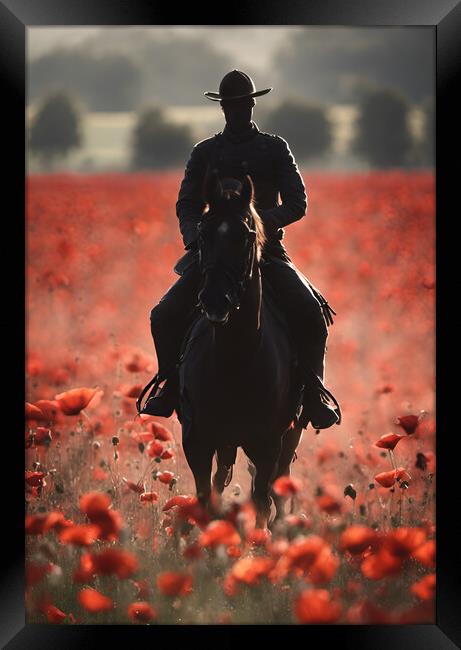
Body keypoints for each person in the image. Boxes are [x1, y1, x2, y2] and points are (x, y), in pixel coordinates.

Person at [137, 69, 341, 430]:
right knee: (163, 315)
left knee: (311, 312)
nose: (236, 111)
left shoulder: (274, 148)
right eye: (229, 106)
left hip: (266, 252)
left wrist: (258, 226)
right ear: (223, 109)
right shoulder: (205, 152)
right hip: (214, 253)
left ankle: (313, 393)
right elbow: (186, 204)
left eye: (241, 104)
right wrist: (198, 236)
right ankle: (168, 387)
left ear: (251, 105)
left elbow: (298, 202)